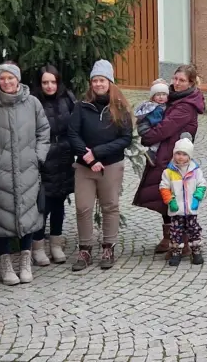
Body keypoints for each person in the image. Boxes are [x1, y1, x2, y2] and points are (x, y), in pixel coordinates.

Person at [0, 62, 49, 285]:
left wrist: (38, 156)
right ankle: (5, 263)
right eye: (2, 78)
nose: (6, 82)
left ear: (18, 79)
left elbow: (44, 131)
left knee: (28, 213)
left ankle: (25, 260)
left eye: (10, 78)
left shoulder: (32, 103)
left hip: (27, 169)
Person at [67, 60, 133, 272]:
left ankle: (108, 247)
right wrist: (88, 158)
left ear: (109, 82)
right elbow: (73, 133)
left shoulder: (120, 108)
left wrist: (97, 152)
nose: (98, 84)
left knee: (110, 206)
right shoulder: (81, 106)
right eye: (95, 80)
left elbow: (125, 138)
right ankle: (85, 248)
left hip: (111, 165)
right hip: (85, 167)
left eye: (102, 80)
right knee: (83, 207)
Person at [134, 65, 205, 255]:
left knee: (176, 199)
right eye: (175, 79)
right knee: (163, 198)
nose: (176, 83)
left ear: (190, 83)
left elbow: (165, 128)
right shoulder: (172, 98)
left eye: (181, 80)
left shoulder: (186, 105)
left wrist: (146, 136)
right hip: (165, 155)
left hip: (174, 159)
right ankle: (168, 238)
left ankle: (184, 243)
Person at [34, 65, 78, 266]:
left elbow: (76, 123)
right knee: (43, 203)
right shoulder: (34, 101)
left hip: (64, 155)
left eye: (53, 81)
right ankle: (38, 246)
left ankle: (56, 243)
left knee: (60, 200)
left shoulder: (67, 98)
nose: (49, 86)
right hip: (43, 155)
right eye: (45, 82)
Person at [159, 138, 207, 267]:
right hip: (176, 209)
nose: (181, 157)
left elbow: (202, 184)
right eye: (178, 153)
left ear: (189, 156)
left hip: (191, 208)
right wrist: (170, 200)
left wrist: (197, 198)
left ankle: (196, 250)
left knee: (194, 229)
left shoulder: (195, 171)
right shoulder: (168, 172)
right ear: (174, 154)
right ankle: (176, 252)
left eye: (184, 154)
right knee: (175, 231)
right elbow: (164, 187)